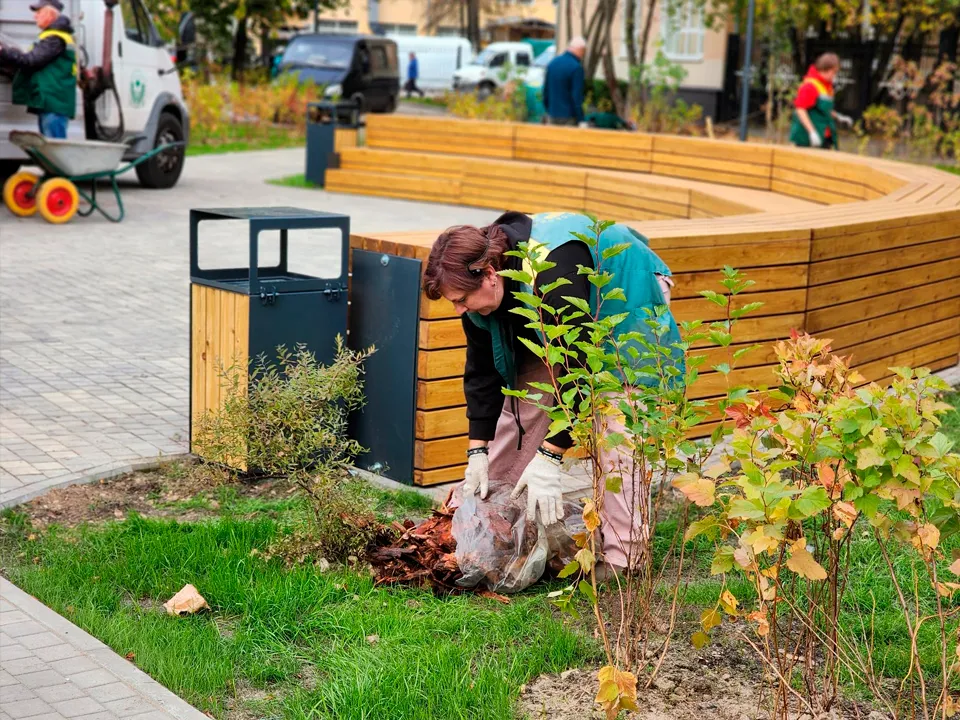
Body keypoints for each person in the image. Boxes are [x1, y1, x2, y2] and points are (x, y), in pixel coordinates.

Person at [423, 211, 680, 575]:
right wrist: (477, 450)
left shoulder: (553, 266)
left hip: (624, 294)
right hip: (559, 314)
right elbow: (482, 372)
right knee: (523, 406)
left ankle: (626, 557)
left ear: (490, 275)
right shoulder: (479, 289)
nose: (459, 309)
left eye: (461, 299)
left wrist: (551, 456)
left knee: (614, 421)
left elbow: (580, 369)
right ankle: (491, 534)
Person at [0, 0, 77, 139]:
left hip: (54, 103)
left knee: (54, 152)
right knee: (50, 149)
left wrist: (4, 52)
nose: (35, 17)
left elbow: (31, 61)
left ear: (50, 14)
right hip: (51, 102)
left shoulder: (55, 39)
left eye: (39, 13)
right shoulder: (52, 37)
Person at [789, 52, 853, 150]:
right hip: (808, 139)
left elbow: (823, 109)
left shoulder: (826, 86)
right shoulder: (810, 86)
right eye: (834, 72)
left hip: (824, 136)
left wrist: (839, 117)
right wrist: (812, 132)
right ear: (826, 69)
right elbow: (800, 109)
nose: (835, 76)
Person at [542, 37, 586, 126]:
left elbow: (545, 91)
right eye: (583, 51)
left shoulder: (552, 63)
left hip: (552, 114)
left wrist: (549, 109)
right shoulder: (576, 68)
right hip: (569, 117)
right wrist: (581, 119)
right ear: (580, 50)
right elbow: (576, 96)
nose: (583, 55)